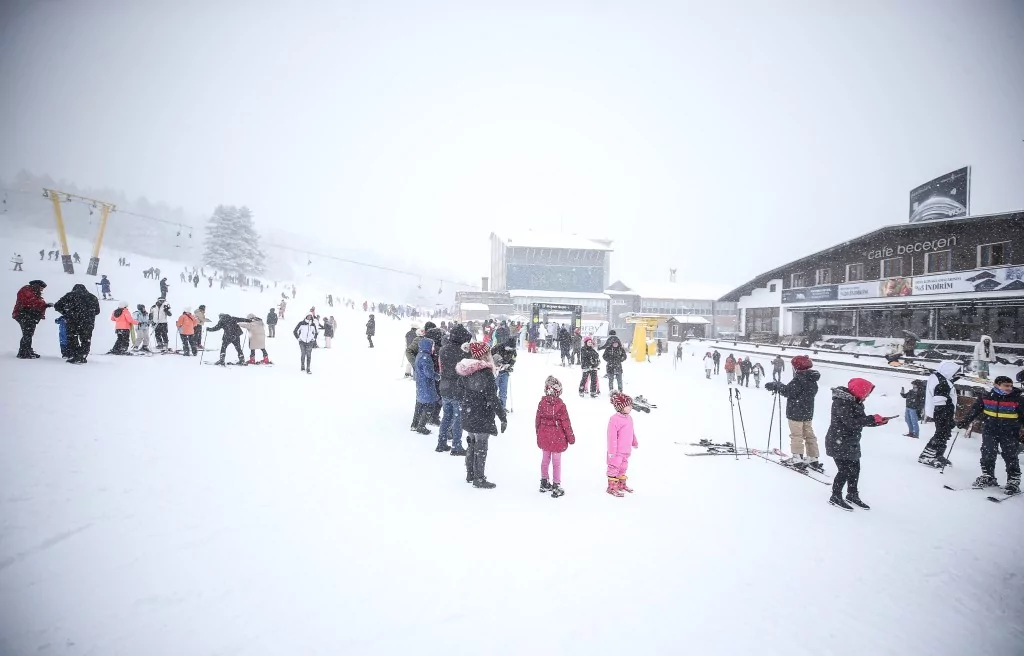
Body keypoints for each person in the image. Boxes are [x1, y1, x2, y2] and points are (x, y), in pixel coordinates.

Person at [824, 378, 890, 511]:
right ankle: (835, 496)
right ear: (859, 391)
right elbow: (851, 422)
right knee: (844, 470)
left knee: (855, 469)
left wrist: (877, 422)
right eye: (866, 393)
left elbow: (859, 422)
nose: (867, 395)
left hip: (850, 441)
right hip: (838, 441)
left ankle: (852, 494)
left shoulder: (855, 402)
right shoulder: (842, 402)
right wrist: (872, 418)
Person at [956, 376, 1022, 494]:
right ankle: (988, 476)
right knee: (987, 453)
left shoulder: (1017, 399)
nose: (1009, 388)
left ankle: (1013, 481)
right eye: (1006, 385)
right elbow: (975, 410)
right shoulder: (986, 397)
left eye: (1010, 386)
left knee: (1010, 455)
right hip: (990, 430)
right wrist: (964, 422)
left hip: (1010, 432)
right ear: (996, 385)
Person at [457, 341, 508, 489]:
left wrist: (469, 400)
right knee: (481, 445)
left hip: (468, 411)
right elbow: (492, 398)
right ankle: (479, 478)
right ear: (484, 355)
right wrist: (502, 417)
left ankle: (470, 473)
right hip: (481, 413)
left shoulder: (467, 369)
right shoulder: (486, 373)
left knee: (472, 442)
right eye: (488, 353)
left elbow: (460, 388)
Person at [765, 355, 822, 472]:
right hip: (807, 411)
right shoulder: (812, 378)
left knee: (797, 435)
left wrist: (778, 386)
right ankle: (813, 458)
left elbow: (789, 392)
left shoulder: (799, 379)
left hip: (796, 412)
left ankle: (797, 458)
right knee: (809, 434)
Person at [536, 375, 576, 498]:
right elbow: (566, 423)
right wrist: (571, 437)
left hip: (545, 437)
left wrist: (539, 432)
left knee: (545, 460)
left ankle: (544, 481)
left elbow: (537, 420)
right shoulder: (561, 406)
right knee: (556, 462)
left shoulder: (542, 403)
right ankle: (556, 485)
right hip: (557, 438)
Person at [918, 360, 961, 468]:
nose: (956, 376)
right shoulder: (942, 383)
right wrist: (945, 417)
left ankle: (938, 454)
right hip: (942, 413)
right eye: (955, 373)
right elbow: (940, 402)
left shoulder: (939, 378)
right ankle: (927, 456)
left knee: (944, 434)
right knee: (940, 434)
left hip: (944, 412)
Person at [438, 324, 472, 455]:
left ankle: (441, 443)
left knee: (446, 416)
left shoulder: (443, 349)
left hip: (444, 387)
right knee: (458, 419)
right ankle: (456, 446)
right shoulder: (462, 352)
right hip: (458, 388)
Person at [53, 283, 100, 364]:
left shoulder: (70, 295)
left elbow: (57, 306)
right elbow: (97, 311)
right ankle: (83, 355)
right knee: (86, 340)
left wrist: (66, 313)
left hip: (72, 321)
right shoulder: (92, 297)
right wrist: (88, 315)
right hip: (88, 323)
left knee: (72, 338)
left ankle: (75, 355)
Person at [606, 392, 639, 497]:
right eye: (628, 405)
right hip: (616, 451)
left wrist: (634, 441)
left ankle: (620, 484)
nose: (631, 407)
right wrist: (611, 451)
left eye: (631, 405)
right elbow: (611, 437)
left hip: (626, 450)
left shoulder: (629, 418)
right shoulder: (614, 419)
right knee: (614, 467)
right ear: (621, 407)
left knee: (623, 467)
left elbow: (631, 432)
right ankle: (611, 487)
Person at [13, 280, 51, 359]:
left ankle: (26, 350)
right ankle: (24, 352)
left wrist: (44, 305)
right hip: (22, 315)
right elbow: (30, 301)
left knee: (29, 333)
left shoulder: (33, 293)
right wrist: (44, 304)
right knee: (27, 333)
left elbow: (35, 302)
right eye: (41, 288)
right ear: (36, 285)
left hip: (29, 316)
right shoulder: (26, 290)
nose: (42, 290)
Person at [411, 337, 440, 435]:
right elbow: (428, 373)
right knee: (430, 406)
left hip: (420, 383)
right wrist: (437, 376)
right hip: (427, 385)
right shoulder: (426, 358)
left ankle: (414, 424)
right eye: (432, 346)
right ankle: (421, 426)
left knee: (420, 404)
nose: (433, 348)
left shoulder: (419, 355)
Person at [492, 334, 518, 410]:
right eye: (509, 348)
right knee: (494, 390)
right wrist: (495, 364)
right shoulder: (497, 347)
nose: (510, 350)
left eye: (512, 349)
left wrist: (509, 365)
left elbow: (514, 359)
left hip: (505, 372)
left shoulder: (513, 350)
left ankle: (502, 407)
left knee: (503, 390)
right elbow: (489, 357)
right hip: (495, 372)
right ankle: (493, 407)